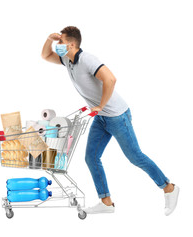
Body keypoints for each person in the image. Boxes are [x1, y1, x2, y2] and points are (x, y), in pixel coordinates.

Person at [41, 26, 179, 216]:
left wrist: (100, 105)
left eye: (61, 42)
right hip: (102, 118)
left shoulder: (88, 60)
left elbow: (111, 79)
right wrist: (49, 39)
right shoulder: (68, 60)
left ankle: (169, 188)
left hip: (116, 116)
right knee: (91, 157)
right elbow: (46, 56)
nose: (58, 46)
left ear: (72, 44)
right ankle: (106, 202)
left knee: (135, 156)